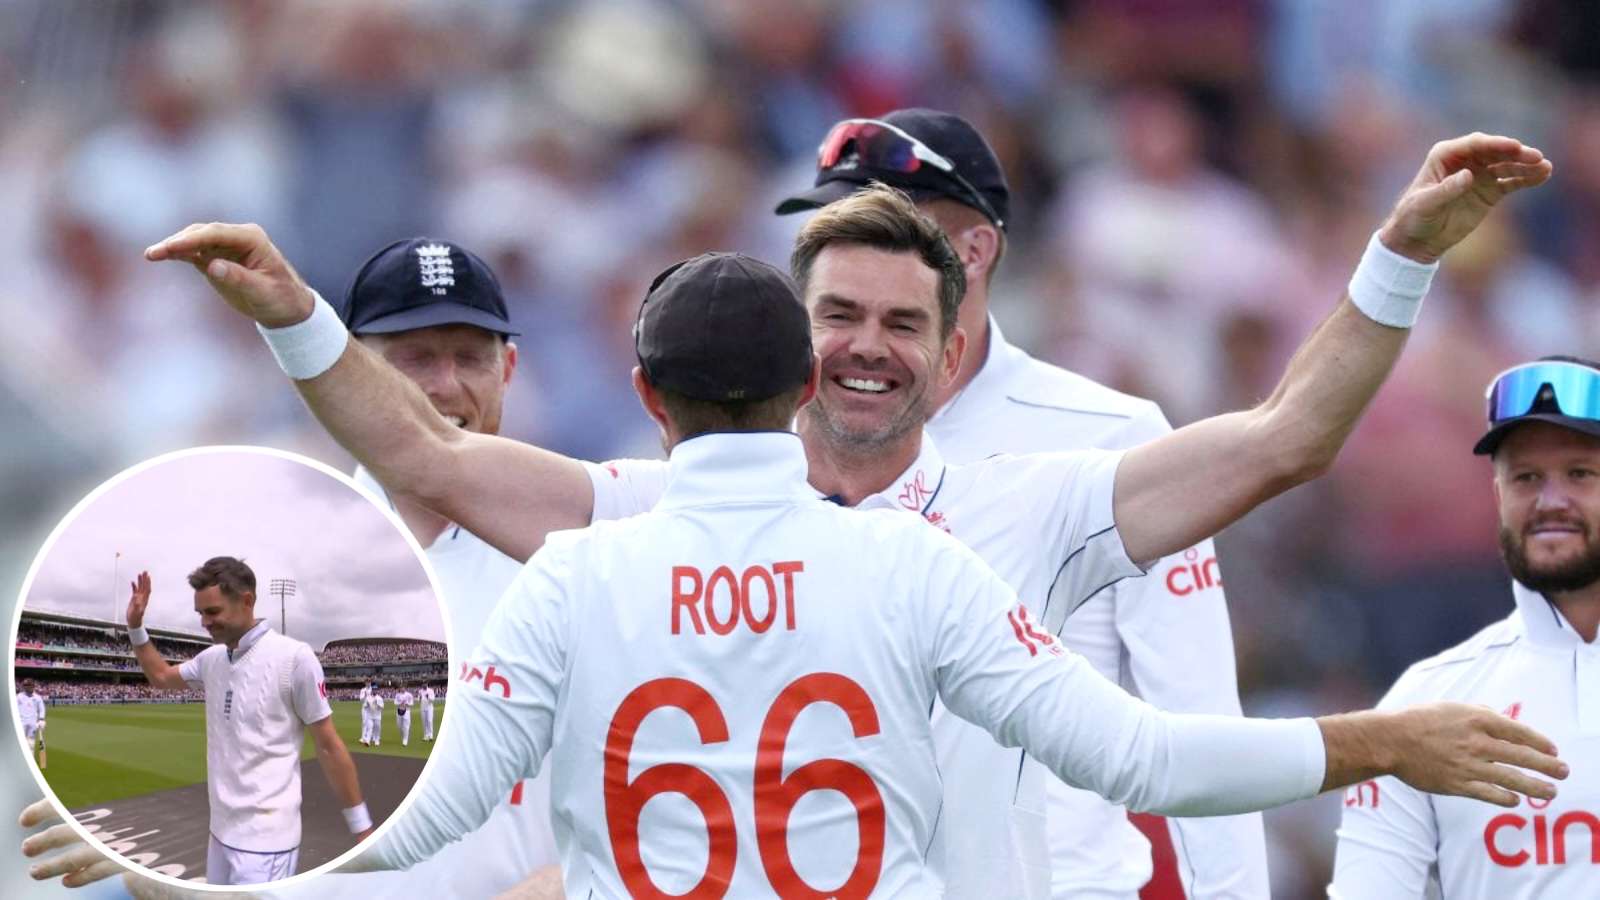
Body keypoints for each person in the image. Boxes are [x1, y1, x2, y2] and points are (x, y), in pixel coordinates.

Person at [143, 130, 1554, 896]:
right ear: (796, 350)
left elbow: (1292, 439)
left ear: (954, 352)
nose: (867, 346)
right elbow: (436, 462)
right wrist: (297, 320)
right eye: (836, 317)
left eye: (900, 320)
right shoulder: (666, 530)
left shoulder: (632, 547)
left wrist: (1395, 258)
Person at [778, 107, 1261, 900]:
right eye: (834, 227)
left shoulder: (1111, 434)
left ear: (975, 250)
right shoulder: (778, 439)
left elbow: (1201, 710)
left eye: (882, 223)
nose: (852, 248)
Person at [1330, 356, 1600, 899]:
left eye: (1580, 473)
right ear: (1499, 497)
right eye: (1526, 477)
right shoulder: (1423, 706)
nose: (1551, 501)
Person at [124, 560, 372, 885]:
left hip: (266, 844)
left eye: (212, 612)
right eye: (200, 613)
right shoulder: (211, 659)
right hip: (220, 833)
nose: (205, 623)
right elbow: (160, 676)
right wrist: (135, 627)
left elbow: (328, 746)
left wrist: (362, 827)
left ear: (246, 601)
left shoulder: (294, 658)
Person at [16, 678, 47, 771]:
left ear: (33, 686)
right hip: (21, 722)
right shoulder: (19, 696)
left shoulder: (37, 698)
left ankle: (30, 763)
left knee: (31, 743)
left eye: (28, 685)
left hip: (33, 723)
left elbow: (42, 709)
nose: (26, 687)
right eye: (25, 685)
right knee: (20, 743)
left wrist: (41, 719)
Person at [357, 679, 375, 746]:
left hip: (372, 708)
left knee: (371, 722)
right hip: (365, 708)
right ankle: (363, 737)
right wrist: (365, 695)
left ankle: (371, 736)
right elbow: (361, 699)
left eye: (369, 682)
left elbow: (375, 697)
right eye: (367, 682)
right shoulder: (362, 690)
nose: (368, 683)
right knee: (364, 722)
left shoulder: (373, 689)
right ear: (365, 683)